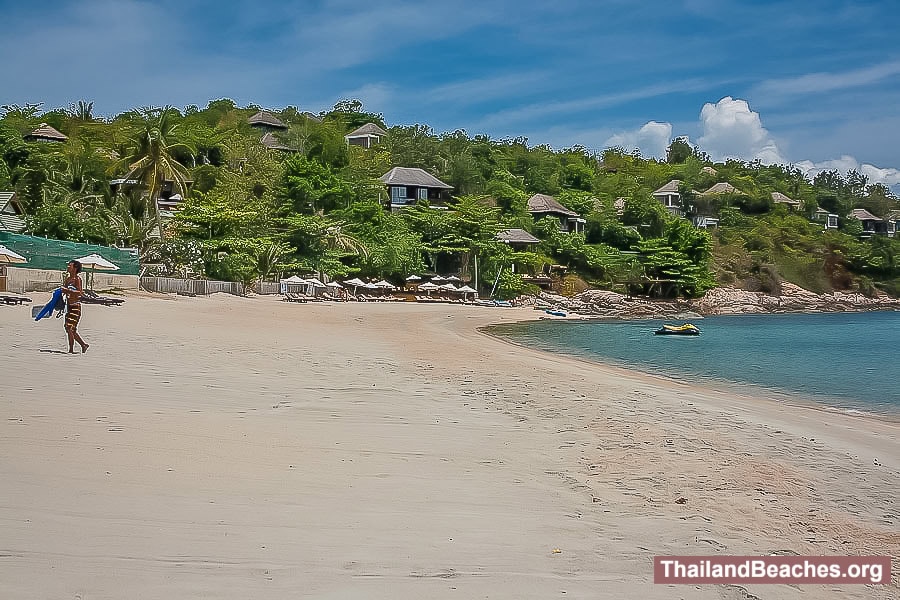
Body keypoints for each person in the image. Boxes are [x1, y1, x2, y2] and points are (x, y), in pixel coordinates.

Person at [62, 260, 89, 354]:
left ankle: (71, 350)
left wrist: (68, 291)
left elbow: (79, 292)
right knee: (69, 328)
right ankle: (83, 345)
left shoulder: (77, 279)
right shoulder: (68, 279)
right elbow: (64, 291)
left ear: (75, 268)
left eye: (70, 266)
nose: (68, 267)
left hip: (75, 307)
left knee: (70, 328)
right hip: (68, 306)